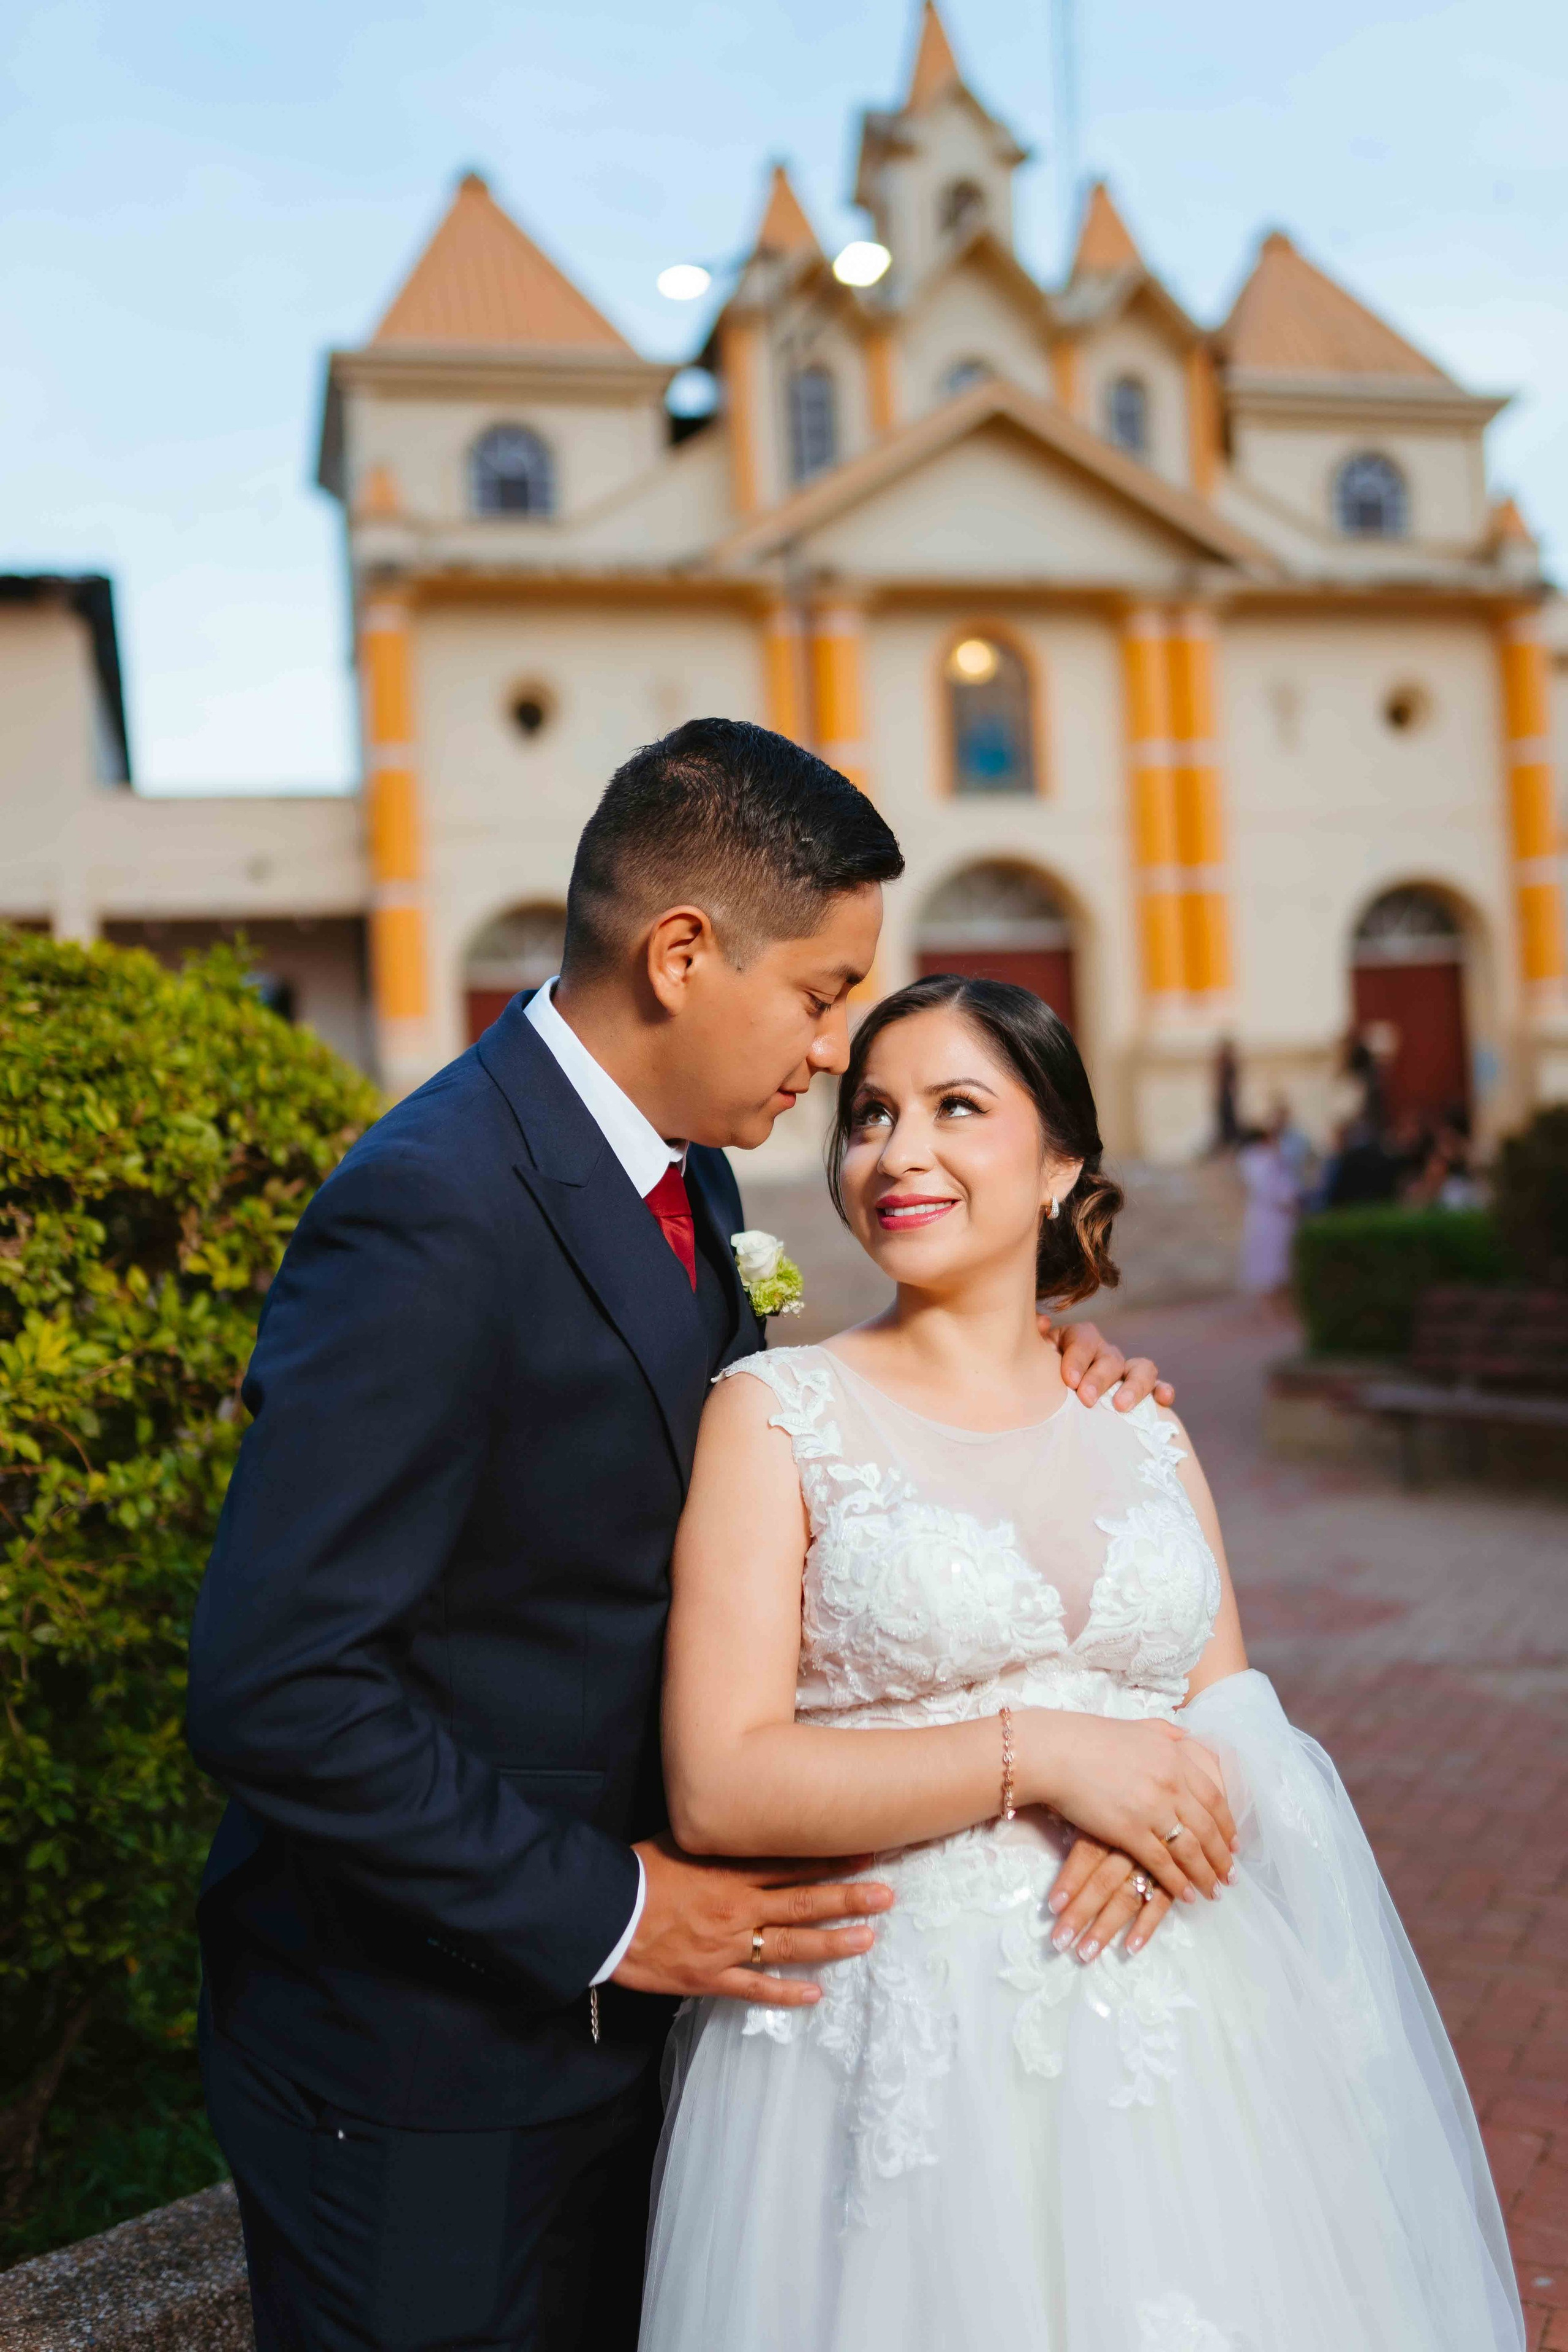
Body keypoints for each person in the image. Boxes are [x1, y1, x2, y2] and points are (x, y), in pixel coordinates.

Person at [185, 722, 1177, 2352]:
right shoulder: (434, 1204)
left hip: (633, 2042)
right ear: (683, 952)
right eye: (820, 993)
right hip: (428, 2052)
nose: (830, 1047)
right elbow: (277, 1686)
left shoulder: (689, 1188)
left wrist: (1037, 1374)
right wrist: (615, 1909)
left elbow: (737, 1480)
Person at [641, 973, 1523, 2352]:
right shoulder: (777, 1414)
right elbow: (720, 1784)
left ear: (1059, 1163)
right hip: (897, 2062)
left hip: (1187, 2054)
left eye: (953, 1108)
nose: (895, 1152)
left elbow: (1233, 1712)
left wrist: (1167, 1784)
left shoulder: (1140, 1422)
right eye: (867, 1115)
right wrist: (1047, 1760)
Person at [1235, 1101, 1304, 1298]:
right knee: (1279, 1264)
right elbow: (1273, 1187)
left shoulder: (1254, 1160)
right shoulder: (1263, 1159)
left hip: (1268, 1214)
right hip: (1277, 1214)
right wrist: (1291, 1202)